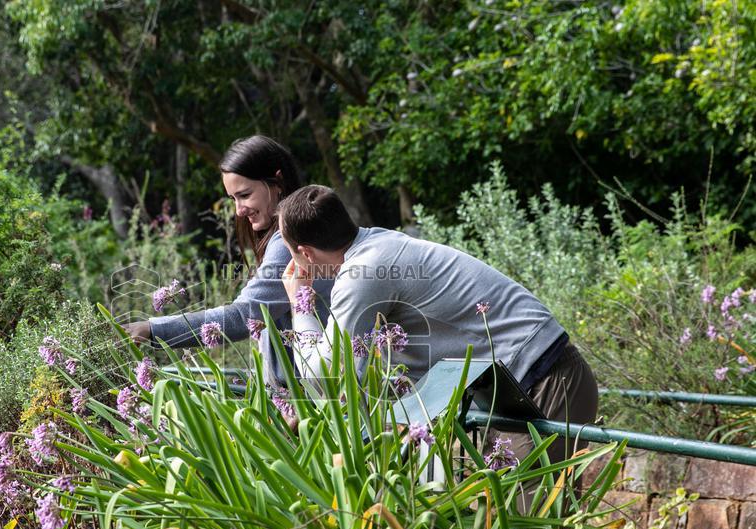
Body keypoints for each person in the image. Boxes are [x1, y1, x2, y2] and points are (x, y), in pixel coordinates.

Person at [276, 184, 598, 468]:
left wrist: (300, 301)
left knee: (525, 527)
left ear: (304, 253)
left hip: (544, 380)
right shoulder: (378, 246)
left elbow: (328, 376)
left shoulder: (364, 271)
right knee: (497, 522)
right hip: (520, 384)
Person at [124, 136, 333, 381]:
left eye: (244, 195)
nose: (238, 210)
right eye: (233, 198)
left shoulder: (288, 242)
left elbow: (243, 316)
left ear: (278, 182)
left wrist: (153, 330)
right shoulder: (303, 229)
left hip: (314, 399)